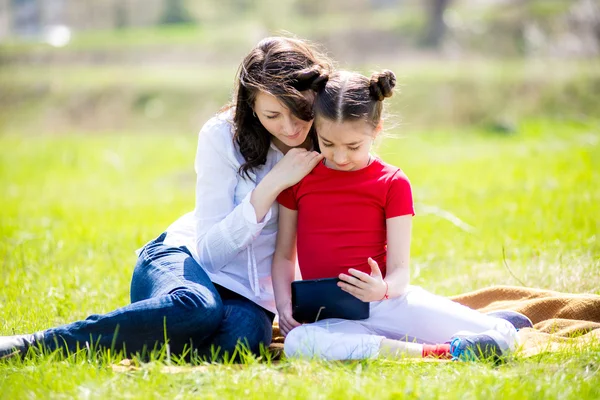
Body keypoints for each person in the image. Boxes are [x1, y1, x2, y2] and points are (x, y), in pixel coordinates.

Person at [0, 36, 331, 361]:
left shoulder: (332, 140)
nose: (290, 128)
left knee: (241, 338)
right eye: (272, 115)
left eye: (299, 111)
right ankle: (37, 344)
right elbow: (211, 253)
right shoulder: (223, 136)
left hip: (249, 294)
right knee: (197, 307)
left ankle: (155, 332)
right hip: (185, 262)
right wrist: (270, 185)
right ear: (251, 107)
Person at [273, 69, 523, 361]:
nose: (339, 157)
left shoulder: (392, 182)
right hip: (331, 319)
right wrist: (283, 304)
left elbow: (401, 272)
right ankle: (440, 352)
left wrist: (383, 289)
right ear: (315, 127)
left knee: (505, 335)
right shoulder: (300, 178)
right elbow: (284, 256)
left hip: (389, 305)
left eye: (353, 146)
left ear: (376, 130)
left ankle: (487, 325)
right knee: (297, 344)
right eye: (328, 143)